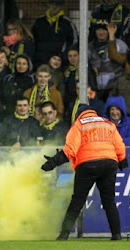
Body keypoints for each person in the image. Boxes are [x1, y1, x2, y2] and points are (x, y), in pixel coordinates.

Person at [41, 104, 128, 241]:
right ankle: (116, 234)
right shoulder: (108, 123)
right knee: (109, 202)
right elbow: (120, 145)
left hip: (88, 164)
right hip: (109, 164)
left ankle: (64, 235)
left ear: (78, 115)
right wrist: (122, 160)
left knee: (77, 201)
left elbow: (70, 149)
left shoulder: (79, 124)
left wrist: (53, 162)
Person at [88, 19, 128, 102]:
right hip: (96, 89)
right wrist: (92, 69)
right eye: (98, 29)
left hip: (115, 88)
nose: (101, 32)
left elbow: (127, 64)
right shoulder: (89, 46)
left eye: (104, 29)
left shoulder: (120, 44)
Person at [31, 0, 78, 68]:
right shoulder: (39, 21)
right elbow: (32, 40)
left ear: (61, 6)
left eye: (57, 4)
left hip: (58, 65)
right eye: (52, 4)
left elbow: (73, 42)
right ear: (48, 4)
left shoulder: (67, 23)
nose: (54, 6)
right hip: (39, 63)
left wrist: (62, 57)